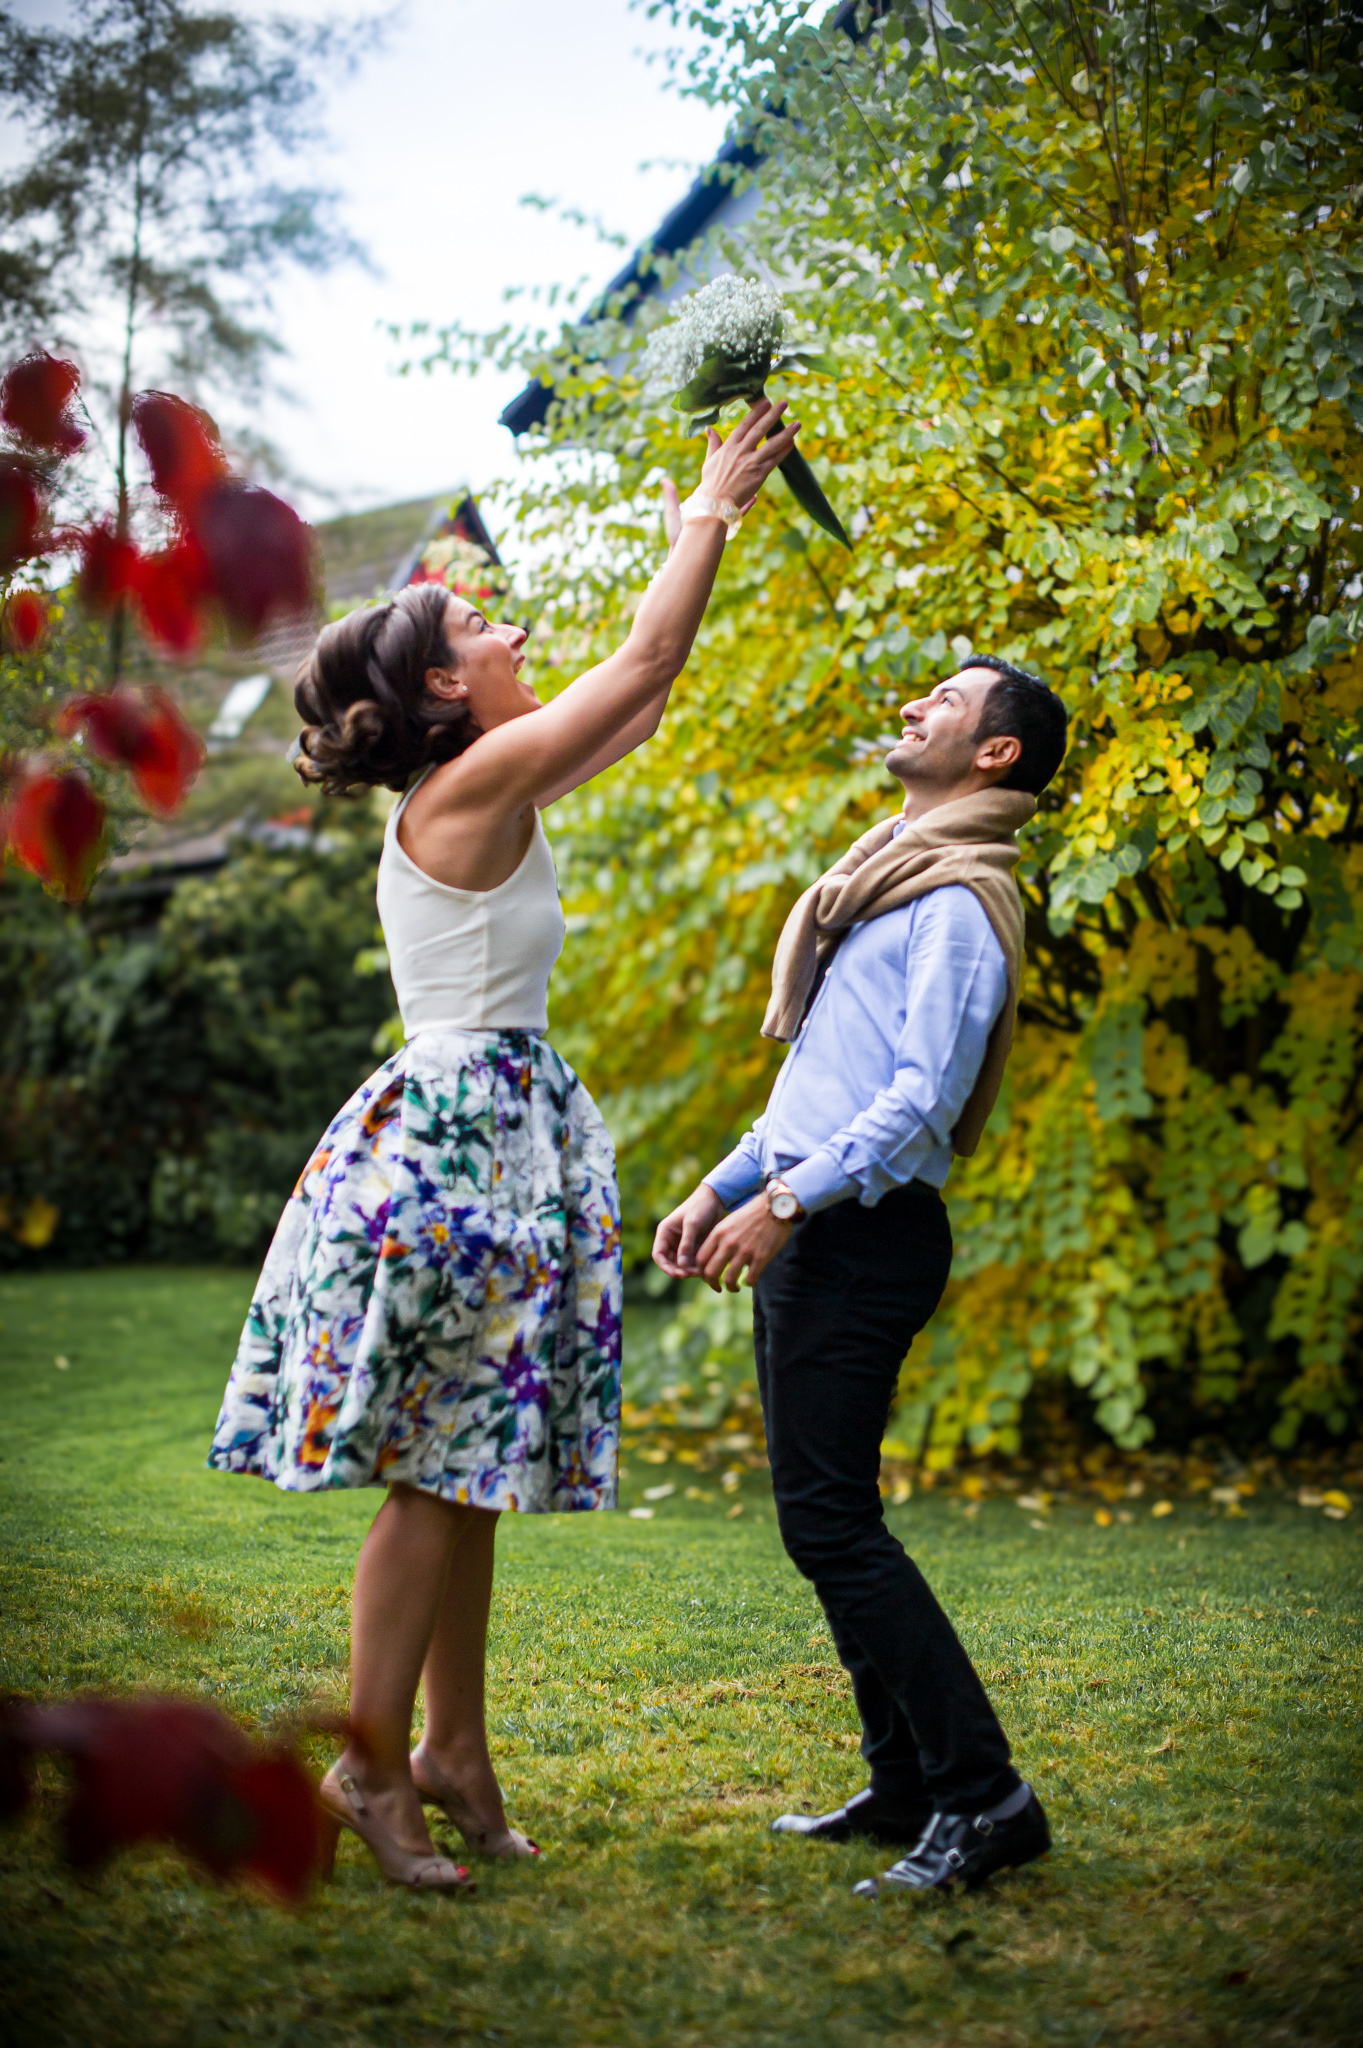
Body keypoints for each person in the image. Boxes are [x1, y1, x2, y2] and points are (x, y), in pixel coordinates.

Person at [208, 398, 801, 1894]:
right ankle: (364, 1760)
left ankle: (451, 1754)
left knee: (468, 1464)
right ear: (436, 693)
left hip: (498, 1133)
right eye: (475, 623)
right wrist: (706, 511)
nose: (503, 623)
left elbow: (644, 701)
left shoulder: (498, 781)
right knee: (430, 1466)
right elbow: (643, 662)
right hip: (454, 1153)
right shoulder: (463, 790)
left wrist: (703, 544)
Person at [652, 657, 1068, 1897]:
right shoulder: (887, 878)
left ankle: (985, 1796)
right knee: (820, 1520)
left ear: (996, 754)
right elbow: (821, 1082)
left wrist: (784, 1201)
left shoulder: (958, 898)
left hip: (862, 1234)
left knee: (833, 1525)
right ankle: (901, 1784)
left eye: (943, 700)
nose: (911, 707)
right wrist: (728, 1182)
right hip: (813, 1220)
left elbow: (919, 1103)